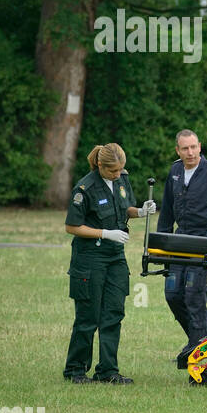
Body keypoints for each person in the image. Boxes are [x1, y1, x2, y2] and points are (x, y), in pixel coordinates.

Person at [63, 143, 157, 384]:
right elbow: (72, 226)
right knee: (88, 316)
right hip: (90, 257)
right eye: (113, 171)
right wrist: (104, 233)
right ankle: (75, 370)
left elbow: (126, 209)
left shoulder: (122, 179)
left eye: (120, 170)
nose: (117, 175)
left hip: (116, 257)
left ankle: (108, 371)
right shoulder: (85, 188)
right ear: (99, 166)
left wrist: (142, 212)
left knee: (113, 314)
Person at [157, 129, 207, 368]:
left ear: (200, 146)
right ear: (177, 150)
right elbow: (167, 209)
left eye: (193, 147)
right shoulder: (175, 171)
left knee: (194, 296)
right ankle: (205, 342)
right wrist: (161, 242)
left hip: (206, 242)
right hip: (180, 242)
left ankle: (199, 352)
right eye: (184, 148)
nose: (190, 152)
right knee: (172, 295)